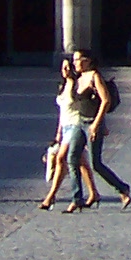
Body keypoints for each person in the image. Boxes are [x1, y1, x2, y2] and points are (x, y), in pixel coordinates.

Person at [71, 50, 131, 208]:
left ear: (87, 61)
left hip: (93, 124)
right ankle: (77, 198)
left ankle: (123, 188)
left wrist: (97, 125)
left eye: (77, 59)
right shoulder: (79, 77)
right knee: (72, 157)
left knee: (96, 163)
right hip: (80, 123)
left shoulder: (94, 77)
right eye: (74, 60)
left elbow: (106, 101)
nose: (74, 63)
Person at [41, 56, 100, 211]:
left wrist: (97, 124)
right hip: (66, 127)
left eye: (68, 67)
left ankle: (51, 196)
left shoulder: (77, 86)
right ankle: (93, 193)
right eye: (63, 67)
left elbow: (89, 104)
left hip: (76, 125)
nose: (65, 70)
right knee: (80, 162)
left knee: (62, 158)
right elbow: (62, 112)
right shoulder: (64, 85)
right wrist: (58, 133)